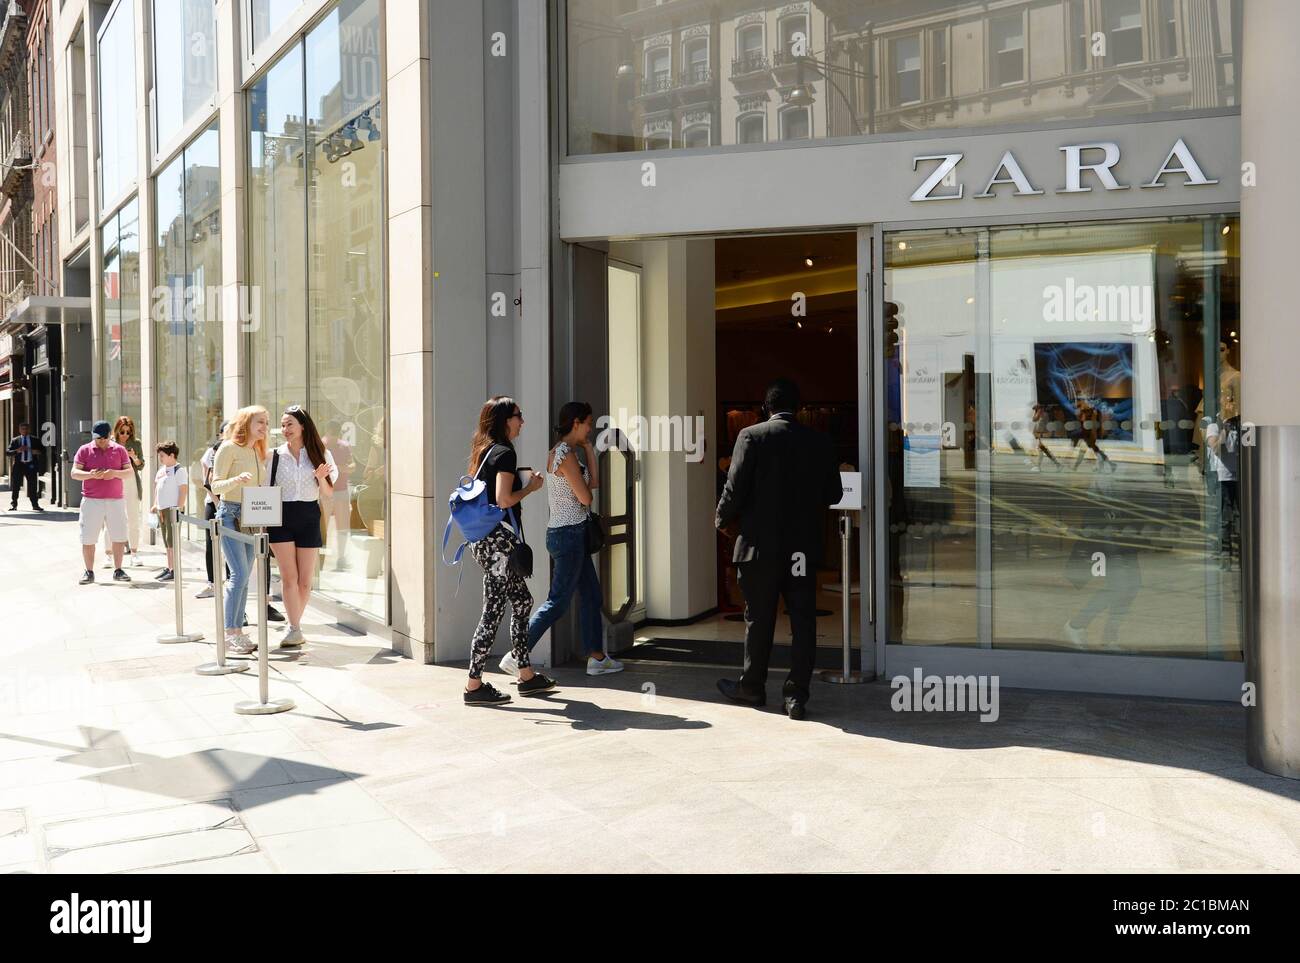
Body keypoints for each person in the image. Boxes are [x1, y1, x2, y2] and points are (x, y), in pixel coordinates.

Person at [715, 378, 843, 721]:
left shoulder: (751, 437)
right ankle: (796, 696)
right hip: (801, 548)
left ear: (765, 407)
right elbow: (834, 494)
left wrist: (721, 520)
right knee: (802, 622)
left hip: (760, 547)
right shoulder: (818, 441)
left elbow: (734, 488)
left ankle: (752, 686)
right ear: (798, 408)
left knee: (758, 619)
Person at [506, 401, 624, 677]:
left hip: (572, 533)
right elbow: (586, 497)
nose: (590, 428)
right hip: (568, 534)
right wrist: (584, 477)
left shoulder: (570, 452)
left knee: (592, 597)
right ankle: (517, 653)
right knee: (558, 602)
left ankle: (597, 657)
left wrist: (589, 451)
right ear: (575, 423)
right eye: (588, 423)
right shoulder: (563, 455)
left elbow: (593, 484)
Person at [463, 396, 554, 706]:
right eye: (518, 416)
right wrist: (530, 488)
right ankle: (474, 685)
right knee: (493, 611)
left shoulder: (486, 450)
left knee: (524, 600)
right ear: (505, 420)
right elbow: (503, 499)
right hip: (496, 544)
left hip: (487, 540)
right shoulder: (503, 454)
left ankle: (525, 675)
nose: (522, 422)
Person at [265, 406, 337, 647]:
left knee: (305, 581)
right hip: (281, 516)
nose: (285, 429)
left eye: (290, 424)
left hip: (309, 514)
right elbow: (265, 488)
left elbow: (328, 493)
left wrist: (319, 478)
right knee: (289, 577)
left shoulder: (321, 454)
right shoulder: (274, 455)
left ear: (303, 425)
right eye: (283, 425)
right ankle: (294, 627)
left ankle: (295, 625)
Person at [210, 406, 271, 654]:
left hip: (251, 516)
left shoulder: (256, 451)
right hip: (230, 514)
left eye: (266, 423)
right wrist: (236, 480)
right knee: (238, 575)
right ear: (245, 423)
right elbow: (215, 484)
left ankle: (237, 631)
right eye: (260, 422)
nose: (264, 427)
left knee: (245, 578)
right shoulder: (228, 448)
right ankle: (230, 632)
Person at [71, 420, 133, 585]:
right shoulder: (84, 450)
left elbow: (129, 472)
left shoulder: (119, 450)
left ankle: (118, 570)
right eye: (98, 439)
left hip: (116, 500)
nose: (101, 442)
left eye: (104, 438)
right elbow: (74, 473)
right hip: (92, 501)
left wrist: (114, 473)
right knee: (88, 537)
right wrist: (90, 474)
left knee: (118, 536)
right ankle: (89, 571)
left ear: (109, 436)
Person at [103, 416, 145, 566]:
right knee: (110, 519)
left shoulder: (136, 443)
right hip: (114, 481)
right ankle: (108, 554)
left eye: (128, 432)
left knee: (133, 518)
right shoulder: (109, 443)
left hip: (131, 480)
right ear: (117, 430)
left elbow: (141, 466)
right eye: (122, 432)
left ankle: (134, 553)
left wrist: (134, 458)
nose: (125, 435)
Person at [195, 423, 228, 599]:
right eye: (226, 431)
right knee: (211, 544)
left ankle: (231, 582)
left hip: (232, 504)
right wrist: (218, 502)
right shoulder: (212, 451)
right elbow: (206, 480)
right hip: (213, 502)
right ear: (220, 433)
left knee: (232, 545)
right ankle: (212, 583)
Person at [151, 441, 188, 582]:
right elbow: (157, 488)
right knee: (167, 541)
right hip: (162, 509)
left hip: (172, 509)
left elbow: (183, 491)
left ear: (172, 455)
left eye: (162, 455)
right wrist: (155, 504)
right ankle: (169, 566)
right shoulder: (162, 470)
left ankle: (174, 569)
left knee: (172, 540)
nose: (160, 458)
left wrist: (178, 508)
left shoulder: (179, 470)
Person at [321, 420, 355, 571]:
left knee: (342, 526)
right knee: (324, 526)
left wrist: (341, 468)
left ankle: (340, 558)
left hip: (339, 490)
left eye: (335, 434)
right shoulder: (322, 445)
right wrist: (342, 469)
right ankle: (321, 559)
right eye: (331, 435)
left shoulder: (343, 446)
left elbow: (352, 465)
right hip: (326, 491)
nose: (332, 438)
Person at [6, 422, 43, 511]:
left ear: (29, 429)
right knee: (16, 486)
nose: (24, 431)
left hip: (31, 465)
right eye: (22, 429)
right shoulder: (15, 440)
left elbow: (43, 450)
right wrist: (17, 450)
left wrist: (35, 451)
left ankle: (35, 505)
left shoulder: (35, 440)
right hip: (19, 465)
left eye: (26, 429)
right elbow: (7, 452)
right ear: (19, 430)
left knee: (33, 486)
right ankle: (13, 504)